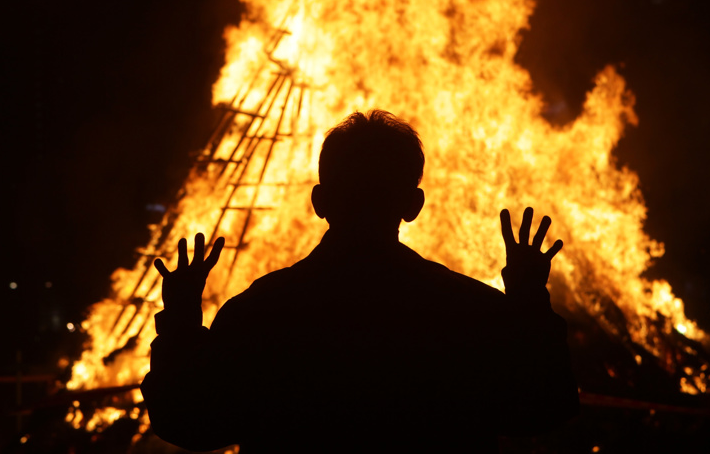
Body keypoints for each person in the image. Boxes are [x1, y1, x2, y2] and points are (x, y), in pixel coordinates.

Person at [141, 110, 578, 452]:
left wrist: (181, 320)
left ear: (319, 201)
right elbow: (542, 407)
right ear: (413, 204)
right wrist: (526, 300)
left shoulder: (260, 313)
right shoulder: (468, 311)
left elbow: (190, 421)